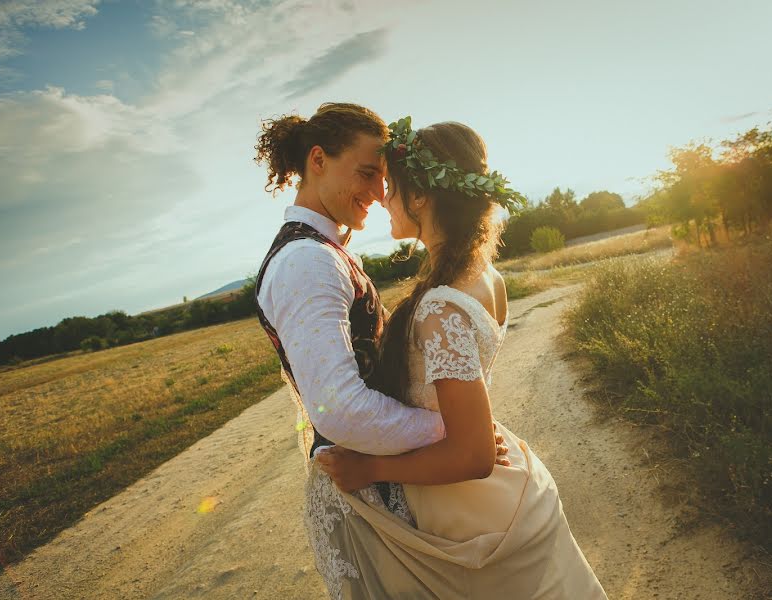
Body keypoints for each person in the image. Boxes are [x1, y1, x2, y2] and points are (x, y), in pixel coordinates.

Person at [312, 117, 608, 599]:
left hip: (464, 506)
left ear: (422, 196)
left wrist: (370, 470)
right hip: (499, 489)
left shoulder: (440, 306)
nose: (384, 198)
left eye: (393, 189)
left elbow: (471, 455)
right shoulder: (485, 274)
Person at [251, 103, 510, 581]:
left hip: (399, 483)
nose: (377, 192)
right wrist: (455, 433)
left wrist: (463, 434)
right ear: (318, 160)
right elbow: (339, 409)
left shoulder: (325, 251)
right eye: (367, 174)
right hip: (371, 493)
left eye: (384, 179)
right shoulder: (305, 261)